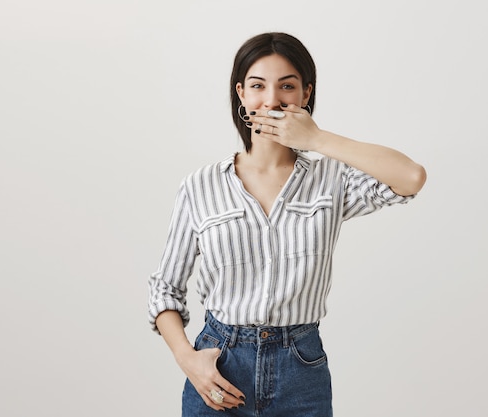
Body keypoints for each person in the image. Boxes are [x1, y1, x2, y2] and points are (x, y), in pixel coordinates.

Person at [147, 32, 426, 416]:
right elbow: (165, 289)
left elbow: (410, 177)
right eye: (259, 86)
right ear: (241, 93)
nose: (273, 100)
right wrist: (187, 359)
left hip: (301, 368)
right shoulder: (201, 186)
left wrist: (316, 138)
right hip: (219, 366)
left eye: (287, 87)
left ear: (305, 94)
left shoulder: (331, 180)